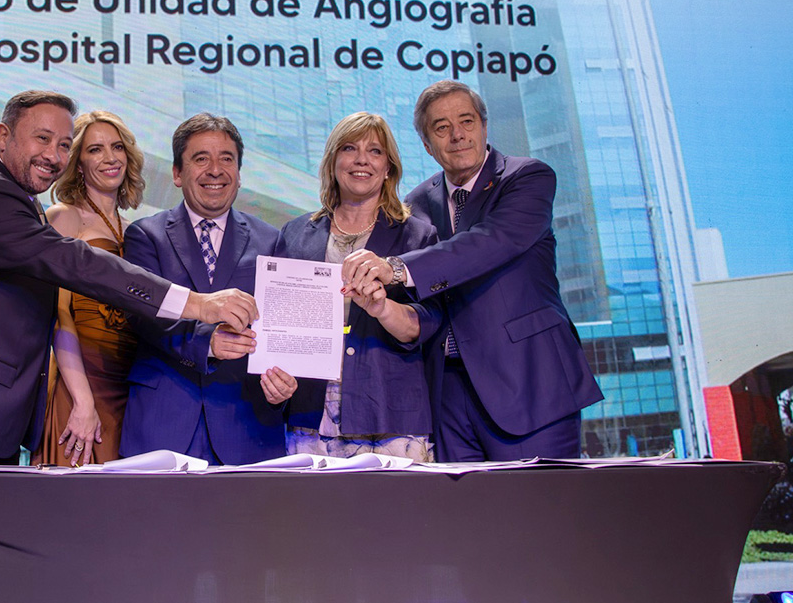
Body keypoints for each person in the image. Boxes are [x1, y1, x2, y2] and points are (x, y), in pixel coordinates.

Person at [0, 92, 258, 465]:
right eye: (42, 138)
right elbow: (76, 265)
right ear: (3, 136)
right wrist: (196, 303)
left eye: (63, 144)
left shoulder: (21, 198)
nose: (53, 155)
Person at [343, 80, 603, 461]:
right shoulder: (416, 204)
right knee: (463, 502)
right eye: (441, 127)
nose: (457, 135)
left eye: (466, 121)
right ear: (427, 145)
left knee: (540, 499)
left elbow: (487, 243)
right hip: (445, 395)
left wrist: (395, 268)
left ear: (484, 126)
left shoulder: (528, 178)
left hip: (529, 383)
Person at [119, 113, 297, 465]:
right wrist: (207, 342)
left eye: (226, 159)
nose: (215, 170)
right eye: (201, 159)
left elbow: (283, 330)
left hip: (247, 424)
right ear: (177, 173)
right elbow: (142, 315)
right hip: (164, 420)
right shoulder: (146, 235)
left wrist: (285, 383)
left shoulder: (271, 240)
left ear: (239, 174)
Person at [277, 112, 442, 461]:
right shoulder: (294, 234)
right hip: (310, 415)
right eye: (349, 148)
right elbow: (278, 326)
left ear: (389, 167)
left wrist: (383, 308)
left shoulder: (417, 235)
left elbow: (426, 325)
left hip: (389, 416)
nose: (362, 159)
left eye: (375, 151)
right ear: (333, 161)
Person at [32, 111, 145, 466]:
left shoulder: (137, 230)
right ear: (78, 163)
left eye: (117, 147)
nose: (110, 158)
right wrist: (82, 401)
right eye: (95, 150)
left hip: (129, 392)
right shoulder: (64, 217)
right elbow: (57, 315)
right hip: (80, 389)